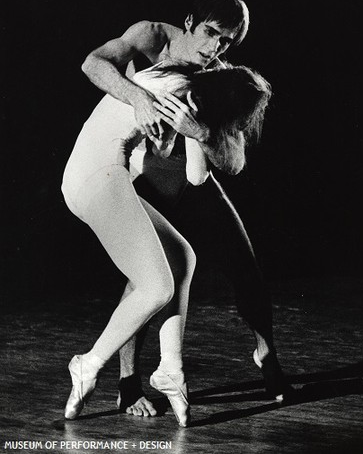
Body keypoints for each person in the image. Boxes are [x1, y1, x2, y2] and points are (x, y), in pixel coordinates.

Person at [80, 0, 291, 418]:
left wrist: (199, 131)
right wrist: (138, 98)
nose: (215, 48)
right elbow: (93, 64)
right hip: (143, 171)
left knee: (244, 262)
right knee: (149, 278)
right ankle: (127, 384)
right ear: (190, 20)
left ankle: (266, 356)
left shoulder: (220, 76)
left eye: (227, 42)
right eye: (211, 33)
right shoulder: (150, 36)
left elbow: (233, 162)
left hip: (192, 171)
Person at [62, 57, 271, 427]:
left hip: (106, 172)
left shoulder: (190, 92)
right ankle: (88, 363)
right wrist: (197, 131)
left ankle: (170, 369)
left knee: (183, 258)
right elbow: (182, 166)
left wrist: (194, 131)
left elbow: (183, 167)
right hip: (95, 174)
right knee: (156, 286)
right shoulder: (181, 93)